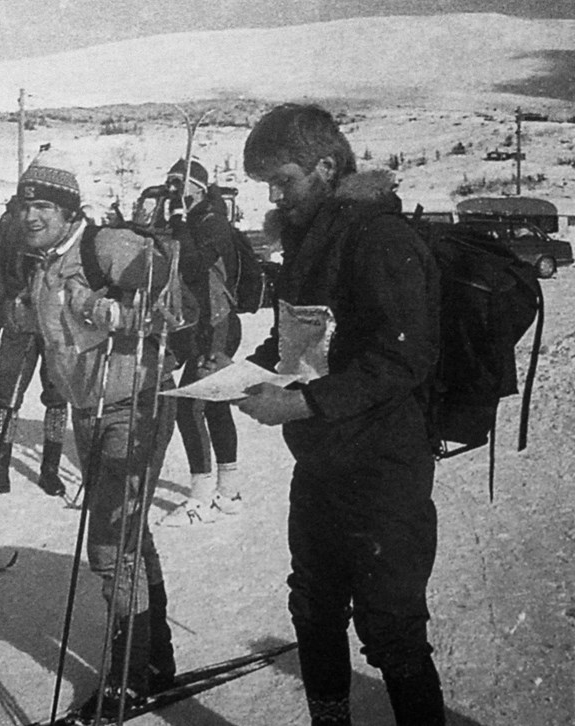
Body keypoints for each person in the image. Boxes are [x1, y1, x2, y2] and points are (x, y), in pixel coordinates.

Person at [234, 104, 444, 725]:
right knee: (314, 607)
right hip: (321, 461)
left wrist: (302, 402)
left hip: (384, 466)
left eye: (283, 180)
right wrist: (243, 373)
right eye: (266, 184)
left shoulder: (381, 238)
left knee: (391, 628)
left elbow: (406, 356)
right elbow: (300, 335)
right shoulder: (307, 237)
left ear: (326, 166)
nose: (273, 195)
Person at [20, 149, 178, 717]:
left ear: (67, 211)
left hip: (135, 405)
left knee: (111, 546)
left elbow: (169, 300)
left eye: (43, 206)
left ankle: (130, 675)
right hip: (90, 410)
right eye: (25, 206)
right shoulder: (42, 260)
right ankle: (157, 659)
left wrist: (110, 310)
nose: (32, 216)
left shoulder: (103, 245)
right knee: (130, 537)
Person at [0, 195, 67, 498]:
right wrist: (6, 297)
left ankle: (50, 471)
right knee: (7, 393)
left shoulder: (64, 222)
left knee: (58, 394)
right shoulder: (11, 220)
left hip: (56, 323)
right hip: (18, 321)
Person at [163, 158, 244, 525]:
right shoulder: (192, 219)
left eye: (180, 183)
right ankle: (229, 491)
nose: (173, 189)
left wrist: (179, 223)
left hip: (216, 324)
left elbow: (194, 265)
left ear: (197, 186)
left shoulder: (213, 221)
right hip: (198, 323)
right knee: (214, 405)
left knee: (189, 407)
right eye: (170, 182)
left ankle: (200, 498)